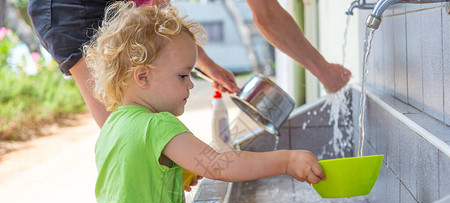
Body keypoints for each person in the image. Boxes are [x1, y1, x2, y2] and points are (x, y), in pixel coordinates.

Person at [80, 2, 326, 203]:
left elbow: (128, 176)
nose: (190, 87)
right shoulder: (159, 125)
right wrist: (287, 161)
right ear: (142, 77)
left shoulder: (116, 121)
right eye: (183, 76)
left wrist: (175, 170)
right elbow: (220, 166)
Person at [27, 0, 350, 129]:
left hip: (118, 5)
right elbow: (266, 15)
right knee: (125, 128)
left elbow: (161, 20)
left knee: (149, 123)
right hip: (72, 7)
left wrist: (207, 66)